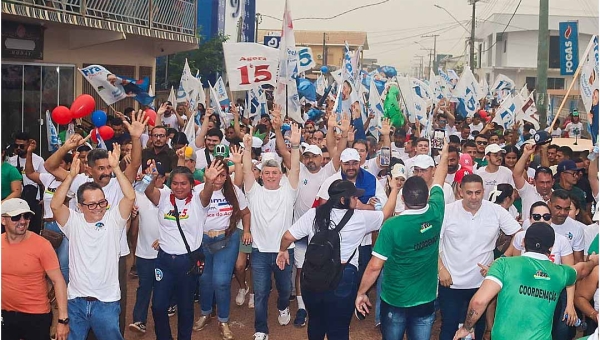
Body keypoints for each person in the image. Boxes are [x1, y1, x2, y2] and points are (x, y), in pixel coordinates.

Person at [45, 111, 147, 337]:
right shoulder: (79, 181)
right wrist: (65, 148)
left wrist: (136, 138)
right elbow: (50, 166)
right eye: (101, 169)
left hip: (115, 254)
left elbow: (135, 166)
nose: (106, 173)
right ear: (88, 169)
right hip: (84, 254)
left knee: (111, 313)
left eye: (109, 168)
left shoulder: (117, 182)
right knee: (82, 308)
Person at [277, 180, 398, 339]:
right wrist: (395, 189)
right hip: (343, 277)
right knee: (339, 327)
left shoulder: (314, 213)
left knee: (316, 322)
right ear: (343, 200)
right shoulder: (359, 218)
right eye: (354, 197)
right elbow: (386, 213)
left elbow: (287, 236)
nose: (357, 200)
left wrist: (282, 250)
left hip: (313, 276)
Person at [355, 141, 449, 340]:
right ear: (427, 196)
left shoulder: (392, 226)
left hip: (395, 298)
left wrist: (362, 292)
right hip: (426, 299)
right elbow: (440, 176)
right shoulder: (436, 210)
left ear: (404, 199)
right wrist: (445, 151)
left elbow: (375, 266)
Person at [453, 223, 599, 340]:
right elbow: (582, 269)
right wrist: (593, 261)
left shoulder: (504, 265)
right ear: (551, 247)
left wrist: (467, 327)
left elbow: (479, 302)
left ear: (523, 242)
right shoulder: (561, 273)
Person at [50, 145, 134, 340]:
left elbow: (129, 196)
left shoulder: (114, 220)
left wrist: (117, 169)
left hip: (106, 303)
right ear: (79, 206)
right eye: (91, 204)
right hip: (76, 303)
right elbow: (55, 205)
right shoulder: (73, 222)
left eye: (102, 202)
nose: (98, 208)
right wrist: (70, 176)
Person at [272, 106, 343, 327]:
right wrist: (277, 129)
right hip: (303, 230)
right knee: (302, 270)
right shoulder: (299, 170)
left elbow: (339, 151)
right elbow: (284, 152)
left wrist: (332, 129)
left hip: (326, 232)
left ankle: (325, 305)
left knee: (328, 268)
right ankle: (302, 308)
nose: (311, 160)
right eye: (307, 157)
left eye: (315, 156)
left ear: (322, 159)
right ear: (303, 159)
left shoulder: (330, 171)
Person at [144, 163, 224, 340]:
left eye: (183, 184)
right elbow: (149, 192)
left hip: (187, 263)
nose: (179, 187)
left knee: (186, 307)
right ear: (170, 184)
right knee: (158, 306)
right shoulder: (164, 196)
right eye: (175, 183)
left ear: (191, 185)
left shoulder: (198, 200)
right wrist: (149, 177)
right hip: (164, 261)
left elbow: (206, 194)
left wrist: (210, 181)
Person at [438, 174, 521, 340]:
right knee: (448, 328)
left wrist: (500, 262)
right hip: (451, 282)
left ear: (484, 191)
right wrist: (440, 269)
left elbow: (520, 236)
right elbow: (432, 242)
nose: (473, 197)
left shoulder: (496, 211)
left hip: (481, 283)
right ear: (461, 192)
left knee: (478, 328)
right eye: (469, 193)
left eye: (477, 192)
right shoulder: (447, 211)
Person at [242, 123, 301, 340]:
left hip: (284, 251)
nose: (270, 176)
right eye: (266, 172)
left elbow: (294, 169)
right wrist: (247, 149)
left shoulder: (289, 191)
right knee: (260, 292)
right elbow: (247, 170)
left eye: (274, 172)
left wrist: (295, 145)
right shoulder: (253, 192)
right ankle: (261, 329)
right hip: (259, 252)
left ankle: (283, 306)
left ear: (280, 174)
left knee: (284, 289)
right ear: (261, 175)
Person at [193, 160, 251, 340]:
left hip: (227, 240)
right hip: (202, 240)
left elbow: (246, 212)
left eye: (222, 175)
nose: (218, 179)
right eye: (214, 173)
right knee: (204, 280)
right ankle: (205, 313)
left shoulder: (233, 191)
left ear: (227, 176)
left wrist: (247, 230)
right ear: (206, 173)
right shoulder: (197, 191)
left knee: (222, 281)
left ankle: (223, 320)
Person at [2, 198, 69, 340]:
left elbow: (58, 281)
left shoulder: (42, 245)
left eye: (26, 216)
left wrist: (63, 320)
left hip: (36, 316)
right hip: (5, 315)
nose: (22, 221)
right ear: (3, 220)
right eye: (15, 217)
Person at [24, 139, 73, 283]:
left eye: (61, 163)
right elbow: (30, 173)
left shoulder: (73, 181)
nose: (55, 167)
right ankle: (54, 295)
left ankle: (66, 297)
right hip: (48, 226)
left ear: (69, 165)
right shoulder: (49, 179)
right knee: (49, 265)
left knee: (64, 266)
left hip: (65, 228)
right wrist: (29, 153)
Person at [128, 166, 165, 334]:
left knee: (162, 288)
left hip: (166, 253)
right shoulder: (139, 195)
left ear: (163, 179)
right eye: (149, 176)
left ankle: (163, 316)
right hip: (144, 253)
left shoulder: (171, 195)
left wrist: (164, 240)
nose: (149, 180)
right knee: (144, 287)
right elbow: (132, 223)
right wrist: (132, 213)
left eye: (154, 177)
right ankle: (139, 320)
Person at [9, 132, 46, 234]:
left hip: (34, 200)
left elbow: (44, 181)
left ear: (28, 145)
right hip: (17, 199)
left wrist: (44, 199)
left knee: (34, 230)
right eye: (16, 146)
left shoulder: (38, 160)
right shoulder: (11, 161)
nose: (18, 148)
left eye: (22, 146)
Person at [513, 144, 555, 220]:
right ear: (535, 181)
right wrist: (526, 154)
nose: (545, 186)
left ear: (553, 182)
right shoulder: (527, 191)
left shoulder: (556, 197)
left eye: (548, 182)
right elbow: (516, 174)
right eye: (541, 182)